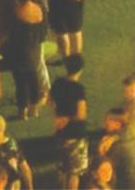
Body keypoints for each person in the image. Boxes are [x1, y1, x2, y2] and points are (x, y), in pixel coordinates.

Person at [50, 54, 89, 190]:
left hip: (61, 134)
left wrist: (60, 115)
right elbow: (81, 114)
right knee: (74, 173)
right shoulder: (79, 89)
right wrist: (68, 118)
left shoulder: (58, 83)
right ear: (80, 70)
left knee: (62, 170)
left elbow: (50, 101)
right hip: (76, 135)